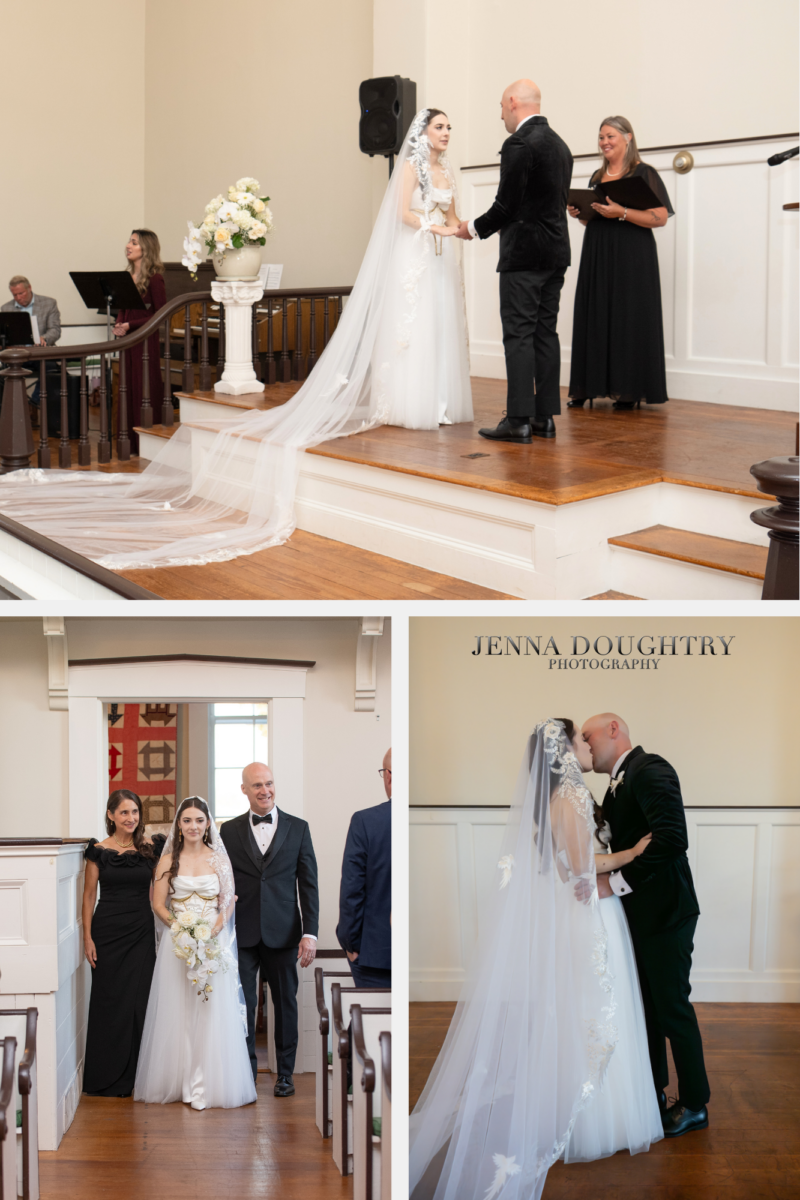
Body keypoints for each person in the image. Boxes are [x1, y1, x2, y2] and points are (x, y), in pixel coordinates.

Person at [0, 109, 471, 569]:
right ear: (422, 134)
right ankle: (409, 399)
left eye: (449, 127)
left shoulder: (443, 169)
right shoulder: (410, 166)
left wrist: (459, 227)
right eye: (439, 126)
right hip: (417, 251)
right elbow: (402, 213)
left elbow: (452, 211)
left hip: (436, 256)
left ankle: (438, 399)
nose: (446, 133)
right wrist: (435, 226)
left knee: (435, 328)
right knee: (411, 330)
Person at [409, 719, 663, 1200]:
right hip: (590, 913)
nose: (586, 746)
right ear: (563, 750)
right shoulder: (566, 799)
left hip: (590, 910)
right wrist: (631, 852)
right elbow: (580, 862)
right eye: (578, 739)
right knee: (595, 1010)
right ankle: (593, 1120)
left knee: (596, 1010)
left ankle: (603, 1106)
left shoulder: (570, 795)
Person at [580, 713, 710, 1137]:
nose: (585, 744)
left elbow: (672, 838)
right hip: (641, 915)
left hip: (667, 912)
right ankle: (652, 1093)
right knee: (649, 1009)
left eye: (589, 736)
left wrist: (614, 883)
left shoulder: (650, 769)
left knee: (672, 1008)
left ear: (613, 730)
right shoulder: (618, 781)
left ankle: (694, 1105)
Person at [456, 80, 573, 444]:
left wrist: (471, 228)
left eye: (500, 107)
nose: (501, 115)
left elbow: (506, 206)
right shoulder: (560, 144)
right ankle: (544, 419)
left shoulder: (519, 143)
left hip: (524, 257)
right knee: (545, 334)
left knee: (519, 335)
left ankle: (519, 419)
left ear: (511, 103)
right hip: (556, 254)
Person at [134, 797, 257, 1110]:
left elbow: (228, 901)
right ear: (179, 825)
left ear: (207, 824)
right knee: (179, 1013)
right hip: (179, 947)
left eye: (199, 820)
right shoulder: (167, 861)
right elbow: (158, 904)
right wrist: (182, 930)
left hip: (212, 945)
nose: (193, 826)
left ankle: (208, 1082)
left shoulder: (218, 859)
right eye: (186, 820)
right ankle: (180, 1081)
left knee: (209, 1011)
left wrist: (213, 931)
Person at [219, 762, 319, 1098]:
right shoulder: (228, 832)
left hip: (285, 932)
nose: (265, 790)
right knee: (243, 1004)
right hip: (242, 934)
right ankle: (246, 1072)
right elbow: (222, 883)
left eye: (270, 783)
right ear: (244, 789)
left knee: (286, 1005)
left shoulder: (299, 828)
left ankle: (285, 1075)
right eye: (257, 785)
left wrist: (311, 932)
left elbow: (309, 885)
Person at [567, 117, 673, 410]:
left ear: (628, 138)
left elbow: (660, 217)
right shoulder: (596, 176)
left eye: (610, 136)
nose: (604, 142)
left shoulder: (644, 173)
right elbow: (592, 219)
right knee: (596, 312)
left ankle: (628, 390)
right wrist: (580, 212)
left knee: (629, 316)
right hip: (598, 251)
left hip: (632, 254)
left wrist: (622, 212)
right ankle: (588, 386)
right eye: (601, 137)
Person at [81, 789, 165, 1096]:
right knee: (109, 1002)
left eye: (135, 812)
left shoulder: (150, 847)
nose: (131, 818)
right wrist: (87, 936)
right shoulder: (98, 851)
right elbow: (89, 895)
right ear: (111, 815)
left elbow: (162, 888)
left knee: (140, 1001)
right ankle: (106, 1078)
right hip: (107, 933)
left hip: (142, 932)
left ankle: (138, 1077)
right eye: (124, 812)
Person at [336, 747, 392, 987]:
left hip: (374, 953)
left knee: (373, 1025)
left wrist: (350, 944)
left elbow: (352, 889)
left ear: (389, 776)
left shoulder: (365, 821)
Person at [113, 229, 167, 454]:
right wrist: (118, 323)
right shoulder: (126, 277)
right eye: (129, 241)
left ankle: (146, 441)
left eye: (134, 242)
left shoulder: (155, 278)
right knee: (127, 387)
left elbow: (160, 313)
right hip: (128, 340)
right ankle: (129, 442)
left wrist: (130, 326)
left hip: (144, 340)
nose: (128, 245)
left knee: (142, 386)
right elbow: (123, 308)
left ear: (146, 248)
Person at [1, 276, 61, 346]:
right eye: (14, 295)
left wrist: (44, 338)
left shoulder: (49, 304)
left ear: (29, 288)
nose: (18, 298)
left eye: (21, 293)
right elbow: (4, 335)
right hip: (18, 353)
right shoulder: (6, 308)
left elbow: (55, 330)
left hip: (43, 351)